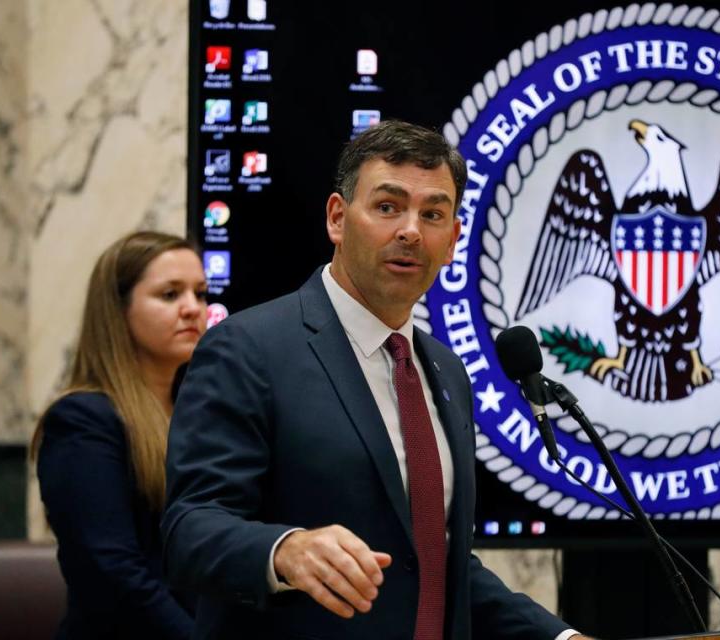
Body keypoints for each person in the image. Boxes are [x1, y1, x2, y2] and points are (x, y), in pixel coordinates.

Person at [162, 120, 589, 640]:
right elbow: (190, 530)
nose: (410, 230)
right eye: (388, 207)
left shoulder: (447, 371)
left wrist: (560, 638)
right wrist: (285, 549)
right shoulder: (248, 350)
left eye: (432, 214)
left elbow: (436, 567)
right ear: (338, 219)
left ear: (452, 239)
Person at [33, 231, 206, 639]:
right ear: (118, 310)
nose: (192, 309)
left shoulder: (197, 411)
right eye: (169, 295)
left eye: (200, 293)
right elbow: (111, 571)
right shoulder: (82, 420)